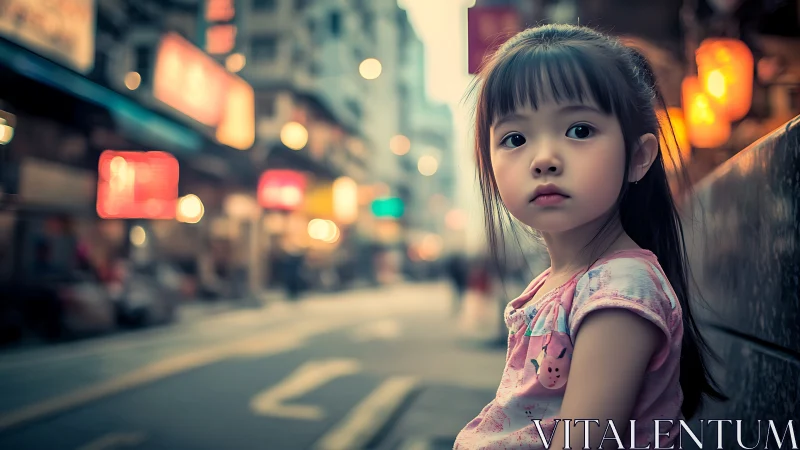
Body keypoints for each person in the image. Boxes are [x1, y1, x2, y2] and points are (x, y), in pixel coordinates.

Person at [453, 24, 726, 449]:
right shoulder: (561, 283)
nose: (543, 158)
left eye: (579, 130)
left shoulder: (619, 291)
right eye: (515, 138)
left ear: (638, 158)